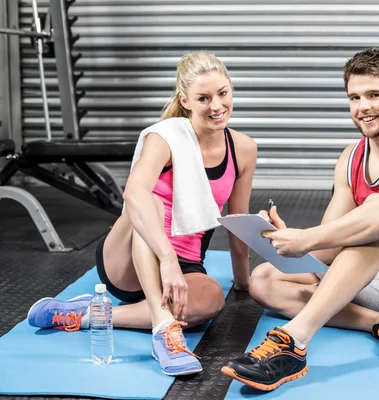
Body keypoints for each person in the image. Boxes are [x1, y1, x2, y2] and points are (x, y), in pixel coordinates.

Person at [221, 47, 379, 391]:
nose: (363, 107)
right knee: (264, 279)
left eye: (375, 95)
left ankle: (293, 342)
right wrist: (294, 241)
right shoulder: (351, 157)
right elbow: (333, 237)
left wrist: (309, 239)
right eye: (355, 97)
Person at [26, 52, 258, 376]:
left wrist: (243, 282)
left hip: (185, 263)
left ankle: (90, 314)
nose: (216, 105)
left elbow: (237, 222)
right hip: (130, 256)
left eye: (223, 93)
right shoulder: (165, 137)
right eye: (203, 98)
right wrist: (166, 258)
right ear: (185, 100)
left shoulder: (243, 148)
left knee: (211, 300)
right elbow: (133, 194)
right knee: (150, 200)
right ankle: (163, 330)